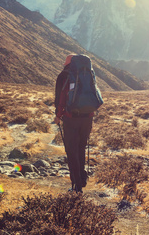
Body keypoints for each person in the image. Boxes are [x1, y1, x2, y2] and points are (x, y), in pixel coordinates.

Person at [54, 54, 95, 193]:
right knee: (81, 148)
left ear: (69, 62)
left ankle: (76, 186)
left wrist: (58, 115)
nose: (63, 61)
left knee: (71, 151)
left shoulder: (64, 75)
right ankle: (82, 178)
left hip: (71, 118)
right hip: (87, 118)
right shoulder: (88, 73)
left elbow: (60, 98)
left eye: (65, 59)